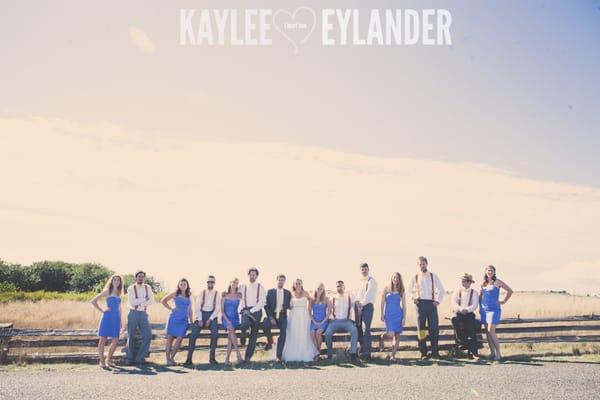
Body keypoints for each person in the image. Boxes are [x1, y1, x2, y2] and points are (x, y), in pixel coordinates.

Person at [409, 256, 445, 360]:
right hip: (420, 304)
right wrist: (413, 298)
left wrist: (438, 301)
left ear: (427, 264)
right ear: (417, 265)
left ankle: (435, 352)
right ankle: (423, 353)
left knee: (434, 328)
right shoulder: (415, 276)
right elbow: (408, 290)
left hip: (431, 304)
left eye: (423, 264)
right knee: (421, 329)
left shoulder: (433, 276)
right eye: (419, 264)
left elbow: (442, 290)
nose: (421, 266)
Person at [185, 275, 221, 366]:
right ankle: (188, 360)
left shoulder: (217, 293)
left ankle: (212, 359)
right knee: (193, 335)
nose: (210, 283)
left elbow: (217, 308)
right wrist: (200, 319)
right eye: (209, 282)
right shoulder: (202, 292)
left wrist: (210, 319)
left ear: (214, 283)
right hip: (201, 314)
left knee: (215, 334)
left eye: (212, 282)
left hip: (212, 316)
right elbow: (197, 306)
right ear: (207, 283)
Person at [480, 265, 513, 361]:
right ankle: (492, 353)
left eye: (492, 270)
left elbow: (510, 291)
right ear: (485, 272)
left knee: (491, 330)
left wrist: (503, 301)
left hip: (494, 310)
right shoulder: (483, 283)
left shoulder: (498, 282)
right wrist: (480, 308)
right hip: (485, 310)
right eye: (488, 270)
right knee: (487, 332)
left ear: (494, 272)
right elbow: (481, 296)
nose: (490, 272)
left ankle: (498, 354)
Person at [282, 279, 319, 362]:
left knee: (303, 333)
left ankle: (305, 353)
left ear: (302, 284)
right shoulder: (291, 294)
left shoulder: (306, 293)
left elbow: (312, 300)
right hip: (294, 315)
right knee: (293, 332)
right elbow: (288, 305)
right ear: (294, 285)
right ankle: (292, 353)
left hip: (303, 315)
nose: (298, 285)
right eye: (296, 283)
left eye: (299, 283)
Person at [91, 274, 123, 368]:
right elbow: (93, 301)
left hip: (116, 319)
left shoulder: (119, 292)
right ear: (111, 281)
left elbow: (120, 308)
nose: (116, 282)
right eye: (115, 280)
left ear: (120, 282)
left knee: (116, 340)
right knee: (103, 340)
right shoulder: (107, 291)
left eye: (118, 280)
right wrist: (102, 310)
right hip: (107, 318)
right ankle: (102, 362)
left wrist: (121, 320)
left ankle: (108, 359)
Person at [126, 270, 155, 367]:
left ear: (144, 278)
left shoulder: (148, 287)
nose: (141, 278)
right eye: (139, 276)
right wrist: (144, 299)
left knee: (148, 335)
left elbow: (152, 301)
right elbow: (132, 302)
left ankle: (139, 358)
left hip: (143, 313)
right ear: (136, 277)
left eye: (142, 276)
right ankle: (129, 359)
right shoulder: (131, 288)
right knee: (131, 336)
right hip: (133, 313)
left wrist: (141, 302)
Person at [324, 281, 358, 361]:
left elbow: (356, 306)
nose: (339, 288)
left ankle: (352, 353)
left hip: (346, 321)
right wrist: (330, 320)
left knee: (354, 330)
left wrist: (355, 320)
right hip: (335, 321)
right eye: (337, 286)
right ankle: (329, 354)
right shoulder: (333, 298)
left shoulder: (349, 297)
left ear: (344, 287)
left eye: (341, 286)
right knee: (328, 333)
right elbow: (328, 310)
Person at [162, 278, 193, 366]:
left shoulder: (189, 295)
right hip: (173, 319)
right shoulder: (175, 294)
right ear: (178, 285)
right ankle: (168, 360)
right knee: (170, 339)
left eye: (185, 284)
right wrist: (171, 308)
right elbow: (163, 301)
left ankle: (172, 358)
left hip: (183, 321)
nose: (183, 286)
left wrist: (191, 321)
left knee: (179, 340)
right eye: (181, 284)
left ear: (187, 286)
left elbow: (190, 310)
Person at [239, 267, 267, 362]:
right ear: (248, 275)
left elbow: (262, 302)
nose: (252, 276)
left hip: (256, 311)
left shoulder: (260, 287)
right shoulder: (243, 287)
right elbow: (237, 296)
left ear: (257, 276)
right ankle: (243, 334)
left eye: (254, 275)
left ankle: (248, 357)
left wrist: (252, 311)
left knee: (254, 335)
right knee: (244, 324)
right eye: (250, 274)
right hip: (245, 310)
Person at [263, 274, 292, 362]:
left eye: (283, 280)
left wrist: (285, 307)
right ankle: (270, 341)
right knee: (265, 325)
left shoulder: (288, 293)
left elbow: (289, 305)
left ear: (284, 282)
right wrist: (271, 318)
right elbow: (266, 306)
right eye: (279, 280)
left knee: (283, 334)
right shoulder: (270, 292)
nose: (281, 282)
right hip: (272, 315)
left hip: (282, 316)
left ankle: (278, 356)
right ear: (276, 280)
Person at [451, 273, 480, 359]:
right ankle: (463, 342)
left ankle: (474, 353)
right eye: (463, 281)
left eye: (466, 281)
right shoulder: (457, 291)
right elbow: (453, 303)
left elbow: (475, 305)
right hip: (459, 313)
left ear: (470, 282)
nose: (464, 282)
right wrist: (460, 309)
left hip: (469, 313)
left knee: (471, 330)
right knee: (454, 319)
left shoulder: (474, 292)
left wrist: (467, 310)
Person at [378, 272, 406, 360]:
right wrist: (381, 313)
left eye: (397, 278)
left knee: (397, 335)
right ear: (391, 278)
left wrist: (404, 318)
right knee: (390, 334)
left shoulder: (401, 289)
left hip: (398, 314)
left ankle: (393, 356)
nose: (395, 279)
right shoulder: (386, 288)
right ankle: (382, 337)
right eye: (394, 277)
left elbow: (404, 305)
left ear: (399, 279)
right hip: (389, 314)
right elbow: (382, 302)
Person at [355, 262, 378, 360]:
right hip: (359, 307)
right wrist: (357, 303)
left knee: (365, 328)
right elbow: (356, 294)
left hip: (367, 307)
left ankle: (367, 354)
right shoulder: (359, 281)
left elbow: (369, 295)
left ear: (368, 269)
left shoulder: (371, 281)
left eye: (365, 269)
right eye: (362, 269)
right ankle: (362, 350)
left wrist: (361, 304)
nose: (364, 271)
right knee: (359, 328)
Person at [221, 278, 243, 365]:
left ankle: (227, 360)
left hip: (235, 318)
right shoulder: (224, 295)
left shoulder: (239, 295)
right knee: (231, 330)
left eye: (236, 283)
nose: (234, 284)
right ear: (230, 283)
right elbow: (222, 311)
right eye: (233, 282)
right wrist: (228, 321)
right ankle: (238, 355)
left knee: (230, 337)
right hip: (226, 318)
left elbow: (242, 305)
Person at [310, 283, 331, 361]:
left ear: (323, 290)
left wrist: (323, 321)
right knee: (312, 333)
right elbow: (309, 311)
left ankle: (318, 352)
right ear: (316, 289)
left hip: (323, 321)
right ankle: (317, 352)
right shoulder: (312, 299)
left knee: (318, 333)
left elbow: (329, 312)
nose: (319, 290)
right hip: (314, 321)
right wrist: (314, 321)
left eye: (321, 289)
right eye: (318, 288)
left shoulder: (326, 299)